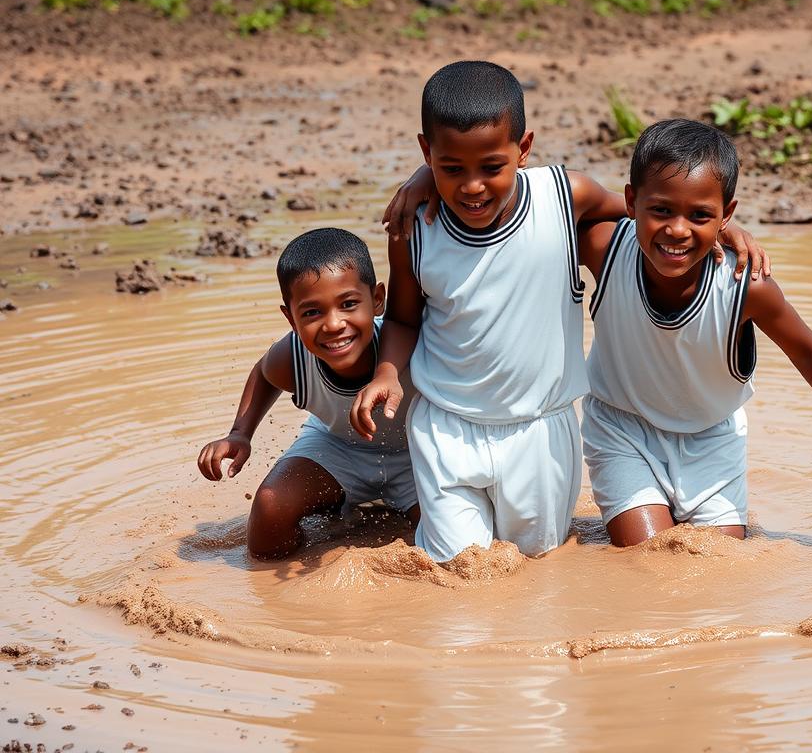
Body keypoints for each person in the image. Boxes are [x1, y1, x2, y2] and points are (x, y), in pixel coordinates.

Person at [350, 61, 767, 562]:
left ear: (523, 151)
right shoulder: (415, 227)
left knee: (534, 565)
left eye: (491, 167)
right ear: (427, 154)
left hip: (539, 433)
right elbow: (401, 318)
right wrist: (388, 373)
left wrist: (720, 229)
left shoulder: (564, 198)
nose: (473, 187)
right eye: (450, 168)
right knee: (458, 569)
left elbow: (654, 212)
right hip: (447, 424)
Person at [578, 118, 812, 545]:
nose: (677, 229)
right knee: (645, 554)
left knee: (714, 561)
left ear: (726, 215)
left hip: (710, 440)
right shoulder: (604, 248)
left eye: (701, 215)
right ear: (631, 201)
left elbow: (808, 351)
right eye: (661, 210)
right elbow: (541, 215)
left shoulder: (747, 287)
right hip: (622, 430)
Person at [197, 227, 418, 559]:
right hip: (337, 447)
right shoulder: (293, 358)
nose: (333, 324)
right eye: (312, 312)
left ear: (377, 300)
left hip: (416, 456)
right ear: (290, 318)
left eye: (348, 304)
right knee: (271, 508)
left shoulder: (403, 343)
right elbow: (264, 372)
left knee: (447, 542)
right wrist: (240, 434)